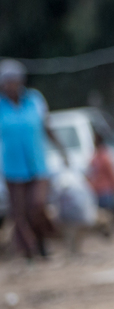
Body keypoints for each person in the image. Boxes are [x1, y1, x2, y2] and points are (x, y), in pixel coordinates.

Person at [0, 58, 66, 260]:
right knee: (19, 212)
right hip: (12, 167)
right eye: (7, 82)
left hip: (37, 164)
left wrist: (62, 150)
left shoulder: (34, 100)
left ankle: (43, 241)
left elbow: (46, 127)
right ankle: (29, 251)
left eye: (14, 80)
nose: (11, 85)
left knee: (36, 205)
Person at [87, 131, 114, 218]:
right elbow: (111, 172)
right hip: (106, 190)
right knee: (110, 214)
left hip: (97, 191)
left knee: (104, 214)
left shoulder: (93, 158)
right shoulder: (105, 156)